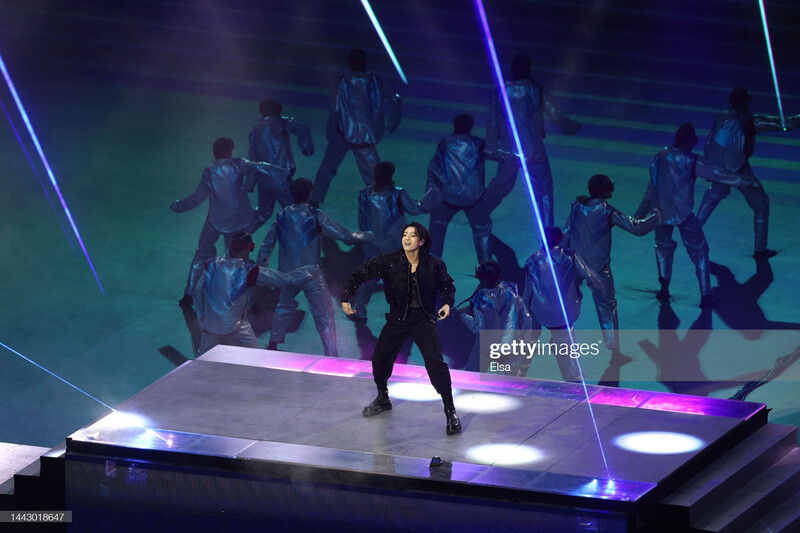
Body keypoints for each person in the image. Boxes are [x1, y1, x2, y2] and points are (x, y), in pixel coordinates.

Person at [341, 222, 461, 435]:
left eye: (412, 236)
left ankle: (450, 409)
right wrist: (346, 296)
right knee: (380, 359)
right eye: (404, 235)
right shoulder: (389, 261)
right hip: (397, 318)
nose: (406, 239)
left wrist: (447, 303)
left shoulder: (434, 264)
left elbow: (447, 285)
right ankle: (382, 397)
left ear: (421, 241)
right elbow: (361, 273)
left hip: (423, 319)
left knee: (435, 364)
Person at [635, 123, 749, 307]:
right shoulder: (693, 160)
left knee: (663, 247)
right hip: (684, 214)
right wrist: (744, 182)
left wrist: (640, 213)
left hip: (660, 213)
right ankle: (705, 296)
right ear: (692, 141)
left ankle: (664, 289)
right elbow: (719, 174)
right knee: (700, 252)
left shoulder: (661, 155)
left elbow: (651, 187)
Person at [257, 178, 373, 357]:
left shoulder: (281, 216)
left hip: (287, 273)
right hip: (311, 274)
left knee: (284, 307)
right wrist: (367, 236)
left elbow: (267, 245)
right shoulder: (316, 215)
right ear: (309, 193)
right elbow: (343, 235)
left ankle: (273, 344)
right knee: (324, 314)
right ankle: (331, 353)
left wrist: (260, 269)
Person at [171, 137, 285, 307]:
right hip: (237, 222)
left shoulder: (209, 170)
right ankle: (245, 300)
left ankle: (189, 293)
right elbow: (261, 166)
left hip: (215, 220)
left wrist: (178, 206)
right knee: (238, 261)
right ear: (230, 150)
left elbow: (196, 199)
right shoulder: (239, 164)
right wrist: (283, 172)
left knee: (201, 254)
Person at [561, 174, 659, 359]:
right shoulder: (607, 211)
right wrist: (657, 216)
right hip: (598, 267)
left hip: (575, 263)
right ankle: (614, 351)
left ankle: (562, 342)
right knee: (607, 306)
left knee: (567, 301)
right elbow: (637, 228)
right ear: (604, 190)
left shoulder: (577, 207)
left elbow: (566, 232)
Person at [696, 88, 799, 258]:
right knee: (761, 203)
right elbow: (785, 123)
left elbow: (711, 143)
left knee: (714, 195)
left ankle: (692, 232)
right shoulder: (749, 122)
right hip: (736, 170)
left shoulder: (722, 116)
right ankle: (760, 249)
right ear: (745, 103)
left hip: (717, 168)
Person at [484, 54, 581, 224]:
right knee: (544, 189)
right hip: (533, 149)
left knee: (501, 185)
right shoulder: (536, 89)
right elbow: (555, 114)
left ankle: (480, 213)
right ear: (528, 69)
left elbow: (493, 121)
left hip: (509, 149)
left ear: (513, 69)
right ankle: (548, 229)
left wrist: (491, 148)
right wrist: (569, 125)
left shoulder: (501, 90)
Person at [312, 48, 402, 203]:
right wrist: (392, 123)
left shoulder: (342, 81)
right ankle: (383, 205)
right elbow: (395, 100)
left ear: (349, 63)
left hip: (342, 133)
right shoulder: (375, 81)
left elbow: (335, 108)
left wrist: (331, 130)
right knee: (375, 176)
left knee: (327, 169)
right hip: (366, 137)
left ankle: (315, 200)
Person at [193, 233, 304, 355]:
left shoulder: (211, 264)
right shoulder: (248, 270)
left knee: (202, 360)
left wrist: (201, 319)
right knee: (255, 359)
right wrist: (307, 273)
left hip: (210, 328)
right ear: (247, 249)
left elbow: (198, 292)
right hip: (236, 328)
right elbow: (283, 280)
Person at [349, 161, 427, 320]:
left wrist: (364, 239)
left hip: (371, 243)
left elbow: (361, 218)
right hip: (393, 245)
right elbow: (415, 209)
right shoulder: (398, 193)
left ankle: (359, 306)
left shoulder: (364, 193)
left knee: (368, 277)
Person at [522, 227, 602, 382]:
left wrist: (523, 311)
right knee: (565, 346)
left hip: (540, 310)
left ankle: (516, 373)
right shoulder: (569, 256)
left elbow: (527, 292)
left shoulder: (531, 261)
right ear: (559, 239)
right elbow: (589, 275)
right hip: (565, 310)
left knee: (528, 342)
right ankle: (574, 380)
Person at [427, 113, 492, 264]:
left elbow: (434, 170)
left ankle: (431, 265)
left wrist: (430, 197)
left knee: (437, 224)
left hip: (449, 196)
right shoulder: (478, 144)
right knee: (482, 229)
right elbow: (498, 154)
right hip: (473, 198)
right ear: (471, 126)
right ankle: (486, 268)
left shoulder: (445, 143)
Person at [456, 260, 534, 375]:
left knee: (472, 378)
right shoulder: (512, 293)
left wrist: (462, 315)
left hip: (486, 348)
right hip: (508, 349)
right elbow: (526, 321)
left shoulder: (482, 299)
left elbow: (478, 327)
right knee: (507, 386)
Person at [247, 99, 313, 230]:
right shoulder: (279, 123)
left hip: (263, 179)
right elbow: (303, 129)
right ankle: (302, 240)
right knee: (294, 209)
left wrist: (249, 183)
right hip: (280, 178)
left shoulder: (255, 129)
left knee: (263, 213)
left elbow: (252, 157)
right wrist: (307, 148)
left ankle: (239, 238)